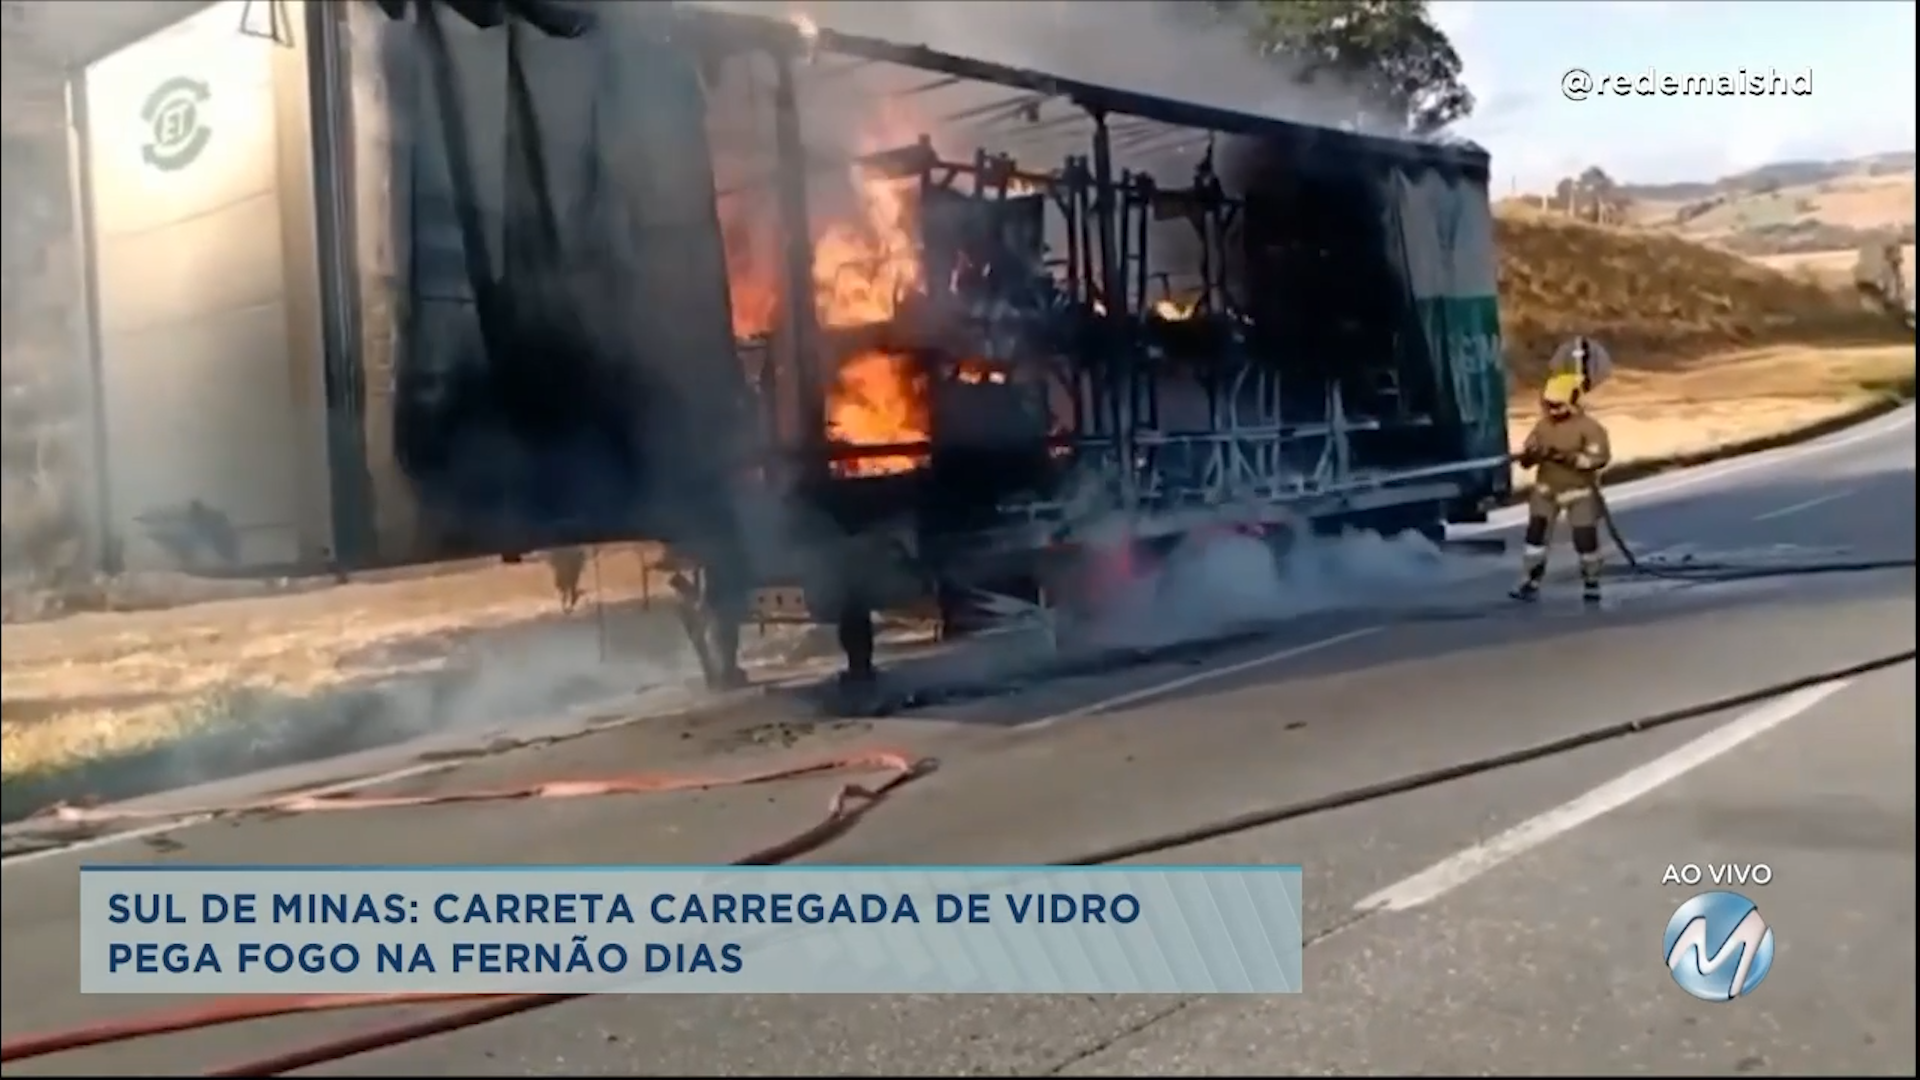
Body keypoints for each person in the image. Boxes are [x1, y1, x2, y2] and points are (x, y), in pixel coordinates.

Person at [1512, 372, 1613, 604]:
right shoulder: (1542, 426)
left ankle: (1591, 581)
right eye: (1548, 405)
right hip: (1546, 490)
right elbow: (1529, 454)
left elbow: (1598, 459)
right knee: (1535, 536)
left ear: (1572, 402)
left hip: (1579, 492)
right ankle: (1530, 580)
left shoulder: (1590, 428)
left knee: (1584, 538)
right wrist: (1530, 456)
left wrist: (1566, 457)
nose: (1552, 411)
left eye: (1557, 405)